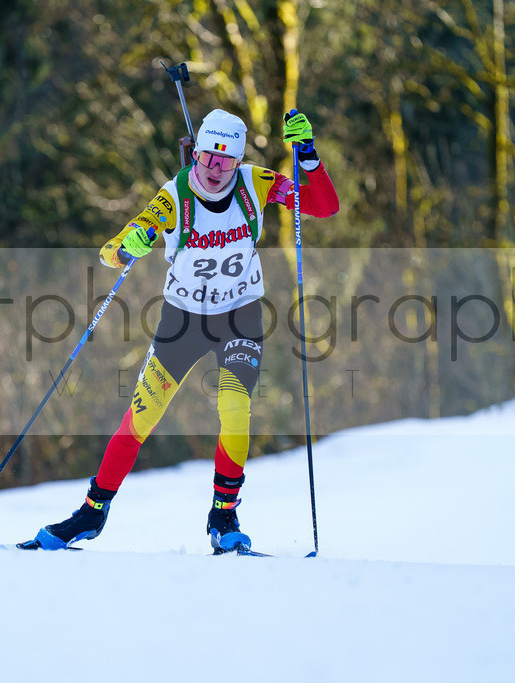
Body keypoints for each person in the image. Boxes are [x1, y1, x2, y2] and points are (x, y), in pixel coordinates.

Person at [23, 109, 339, 553]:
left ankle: (223, 515)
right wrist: (126, 248)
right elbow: (110, 253)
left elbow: (324, 206)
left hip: (239, 318)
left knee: (234, 409)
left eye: (226, 161)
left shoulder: (260, 182)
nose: (214, 169)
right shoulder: (172, 199)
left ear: (238, 161)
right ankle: (92, 513)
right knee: (141, 419)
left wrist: (306, 154)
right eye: (208, 157)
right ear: (198, 153)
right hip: (183, 321)